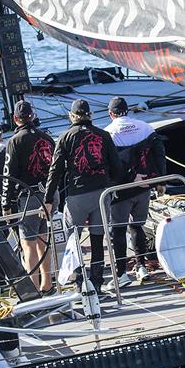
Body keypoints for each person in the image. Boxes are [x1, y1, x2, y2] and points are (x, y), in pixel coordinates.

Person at [44, 99, 121, 293]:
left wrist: (47, 199)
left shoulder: (65, 137)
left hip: (77, 195)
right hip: (101, 194)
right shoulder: (103, 135)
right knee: (97, 240)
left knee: (74, 241)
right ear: (90, 115)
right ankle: (97, 283)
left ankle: (80, 284)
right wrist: (109, 184)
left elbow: (55, 171)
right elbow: (117, 167)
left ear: (72, 116)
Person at [104, 96, 167, 288]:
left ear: (111, 114)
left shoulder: (108, 133)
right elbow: (159, 153)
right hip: (145, 187)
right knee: (137, 227)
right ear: (127, 111)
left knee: (119, 230)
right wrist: (160, 180)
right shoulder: (145, 127)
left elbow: (111, 164)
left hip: (123, 189)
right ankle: (141, 267)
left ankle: (122, 273)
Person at [1, 101, 56, 293]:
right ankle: (47, 284)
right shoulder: (47, 138)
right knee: (43, 240)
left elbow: (8, 176)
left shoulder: (14, 141)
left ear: (15, 119)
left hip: (30, 198)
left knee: (28, 245)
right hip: (49, 196)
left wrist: (5, 205)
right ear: (32, 116)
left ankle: (32, 288)